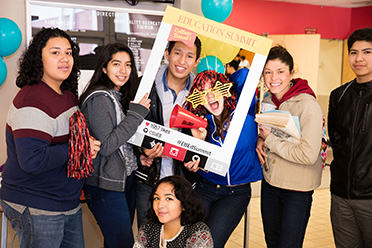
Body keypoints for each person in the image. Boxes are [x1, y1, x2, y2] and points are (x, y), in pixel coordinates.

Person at [0, 27, 101, 248]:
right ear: (39, 59)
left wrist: (85, 143)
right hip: (37, 206)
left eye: (68, 52)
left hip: (65, 202)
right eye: (55, 53)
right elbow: (33, 160)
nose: (64, 59)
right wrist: (80, 147)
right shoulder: (33, 100)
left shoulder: (65, 94)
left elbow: (69, 138)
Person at [79, 43, 151, 248]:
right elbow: (107, 145)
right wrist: (136, 115)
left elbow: (123, 144)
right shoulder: (100, 98)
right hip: (105, 187)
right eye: (116, 64)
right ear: (104, 67)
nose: (123, 70)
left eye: (128, 65)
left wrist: (139, 158)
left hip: (123, 182)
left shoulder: (117, 96)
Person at [183, 70, 262, 248]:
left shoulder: (243, 111)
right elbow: (196, 162)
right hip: (206, 187)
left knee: (210, 243)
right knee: (189, 242)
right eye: (203, 93)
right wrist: (199, 143)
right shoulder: (201, 124)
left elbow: (246, 74)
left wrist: (221, 78)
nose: (210, 96)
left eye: (215, 89)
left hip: (235, 193)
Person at [256, 45, 323, 247]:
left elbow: (308, 155)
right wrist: (260, 140)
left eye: (280, 71)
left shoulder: (307, 104)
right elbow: (266, 132)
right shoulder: (268, 99)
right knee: (272, 242)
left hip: (297, 190)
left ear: (292, 73)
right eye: (268, 72)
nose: (273, 77)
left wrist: (270, 140)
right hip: (270, 184)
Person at [135, 38, 201, 228]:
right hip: (149, 180)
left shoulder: (202, 94)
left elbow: (208, 136)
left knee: (179, 238)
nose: (182, 61)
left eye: (189, 56)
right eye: (177, 53)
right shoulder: (146, 85)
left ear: (197, 61)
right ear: (167, 55)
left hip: (184, 184)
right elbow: (128, 127)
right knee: (149, 236)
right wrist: (142, 151)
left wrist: (198, 160)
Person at [328, 27, 372, 248]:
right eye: (354, 52)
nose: (359, 58)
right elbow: (336, 141)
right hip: (341, 197)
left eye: (367, 52)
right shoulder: (339, 95)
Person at [134, 175, 213, 248]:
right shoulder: (147, 228)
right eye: (157, 198)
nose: (160, 205)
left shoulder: (198, 232)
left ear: (184, 204)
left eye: (169, 199)